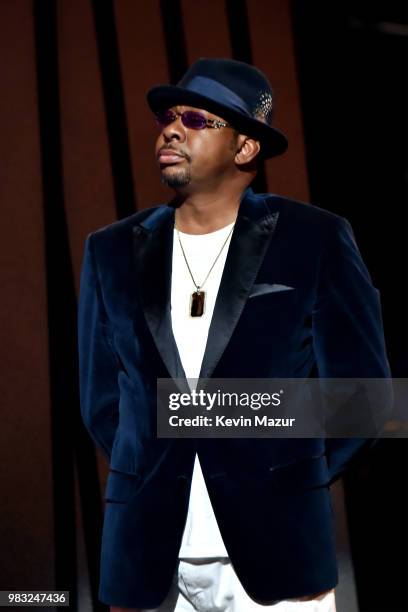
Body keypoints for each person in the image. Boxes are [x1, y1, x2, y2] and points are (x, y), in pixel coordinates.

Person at [77, 58, 391, 611]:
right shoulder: (110, 249)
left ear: (246, 148)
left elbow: (364, 400)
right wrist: (155, 465)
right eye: (168, 117)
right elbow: (103, 402)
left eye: (196, 119)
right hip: (147, 555)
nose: (172, 128)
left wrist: (284, 474)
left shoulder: (313, 238)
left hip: (279, 557)